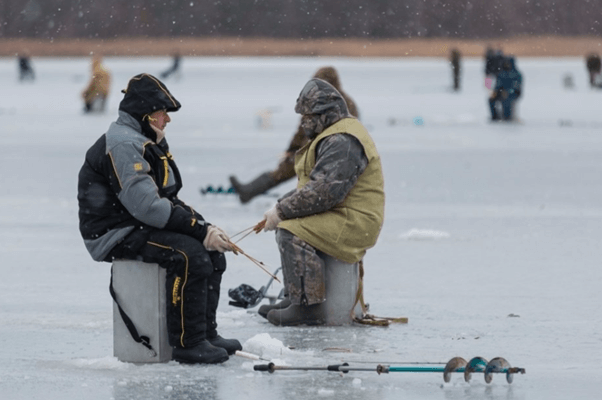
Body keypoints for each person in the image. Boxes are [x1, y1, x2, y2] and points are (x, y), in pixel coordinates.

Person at [77, 73, 240, 364]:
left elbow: (167, 199)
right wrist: (197, 231)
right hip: (113, 232)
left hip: (135, 223)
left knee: (213, 254)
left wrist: (204, 227)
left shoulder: (144, 139)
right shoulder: (126, 145)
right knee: (189, 256)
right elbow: (147, 207)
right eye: (162, 113)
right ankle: (187, 344)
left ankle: (206, 334)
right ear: (145, 115)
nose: (167, 119)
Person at [257, 78, 384, 326]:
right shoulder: (332, 134)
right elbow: (313, 186)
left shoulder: (342, 141)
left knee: (290, 231)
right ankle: (296, 296)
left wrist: (281, 211)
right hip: (342, 213)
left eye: (308, 116)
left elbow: (323, 193)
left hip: (355, 221)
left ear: (325, 114)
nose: (304, 122)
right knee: (292, 223)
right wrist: (281, 205)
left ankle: (308, 307)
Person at [229, 66, 359, 204]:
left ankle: (250, 193)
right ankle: (248, 191)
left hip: (326, 152)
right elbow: (303, 128)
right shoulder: (340, 102)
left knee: (300, 179)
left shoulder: (336, 103)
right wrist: (292, 149)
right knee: (283, 173)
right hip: (309, 150)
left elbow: (351, 130)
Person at [488, 56, 523, 122]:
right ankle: (495, 116)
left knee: (506, 100)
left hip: (513, 93)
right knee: (491, 99)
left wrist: (509, 91)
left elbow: (516, 86)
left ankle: (507, 116)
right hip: (501, 92)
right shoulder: (501, 73)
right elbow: (498, 84)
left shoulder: (516, 74)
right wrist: (495, 92)